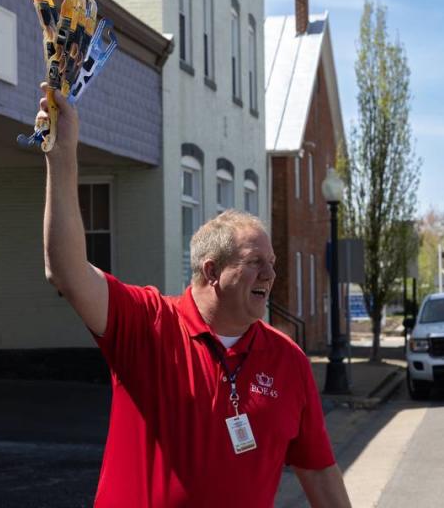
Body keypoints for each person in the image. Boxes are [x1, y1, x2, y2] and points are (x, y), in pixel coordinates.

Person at [38, 84, 351, 507]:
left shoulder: (288, 360)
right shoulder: (148, 323)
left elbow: (317, 468)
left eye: (273, 262)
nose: (270, 274)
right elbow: (67, 272)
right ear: (212, 271)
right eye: (255, 261)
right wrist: (62, 154)